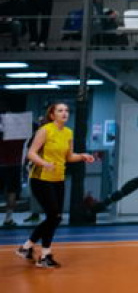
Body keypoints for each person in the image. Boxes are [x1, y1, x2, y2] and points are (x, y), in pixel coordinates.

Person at [16, 103, 95, 268]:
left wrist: (82, 156)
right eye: (60, 110)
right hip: (41, 178)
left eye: (66, 110)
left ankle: (28, 248)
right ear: (52, 115)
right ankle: (44, 255)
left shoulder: (68, 132)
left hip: (58, 179)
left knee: (55, 218)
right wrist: (44, 163)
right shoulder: (45, 130)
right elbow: (31, 153)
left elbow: (69, 156)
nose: (64, 113)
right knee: (53, 216)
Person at [0, 123, 25, 227]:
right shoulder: (20, 137)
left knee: (11, 192)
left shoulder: (2, 135)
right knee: (12, 192)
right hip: (14, 166)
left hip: (1, 165)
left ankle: (9, 219)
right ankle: (8, 218)